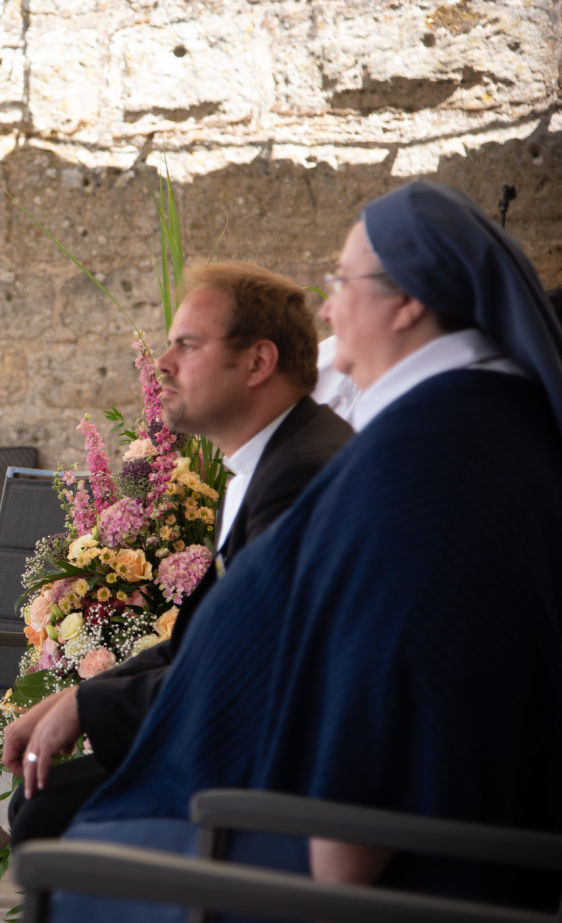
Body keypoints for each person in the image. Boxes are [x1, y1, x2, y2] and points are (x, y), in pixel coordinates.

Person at [45, 182, 562, 921]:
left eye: (341, 283)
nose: (325, 309)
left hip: (383, 872)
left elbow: (356, 793)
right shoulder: (475, 427)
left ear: (407, 301)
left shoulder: (424, 462)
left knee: (68, 857)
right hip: (417, 841)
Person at [4, 262, 353, 844]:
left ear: (259, 362)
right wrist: (81, 695)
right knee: (40, 801)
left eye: (187, 345)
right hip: (242, 741)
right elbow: (208, 637)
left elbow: (252, 666)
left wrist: (91, 708)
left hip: (273, 769)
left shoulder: (303, 475)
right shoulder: (275, 458)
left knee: (48, 814)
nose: (163, 364)